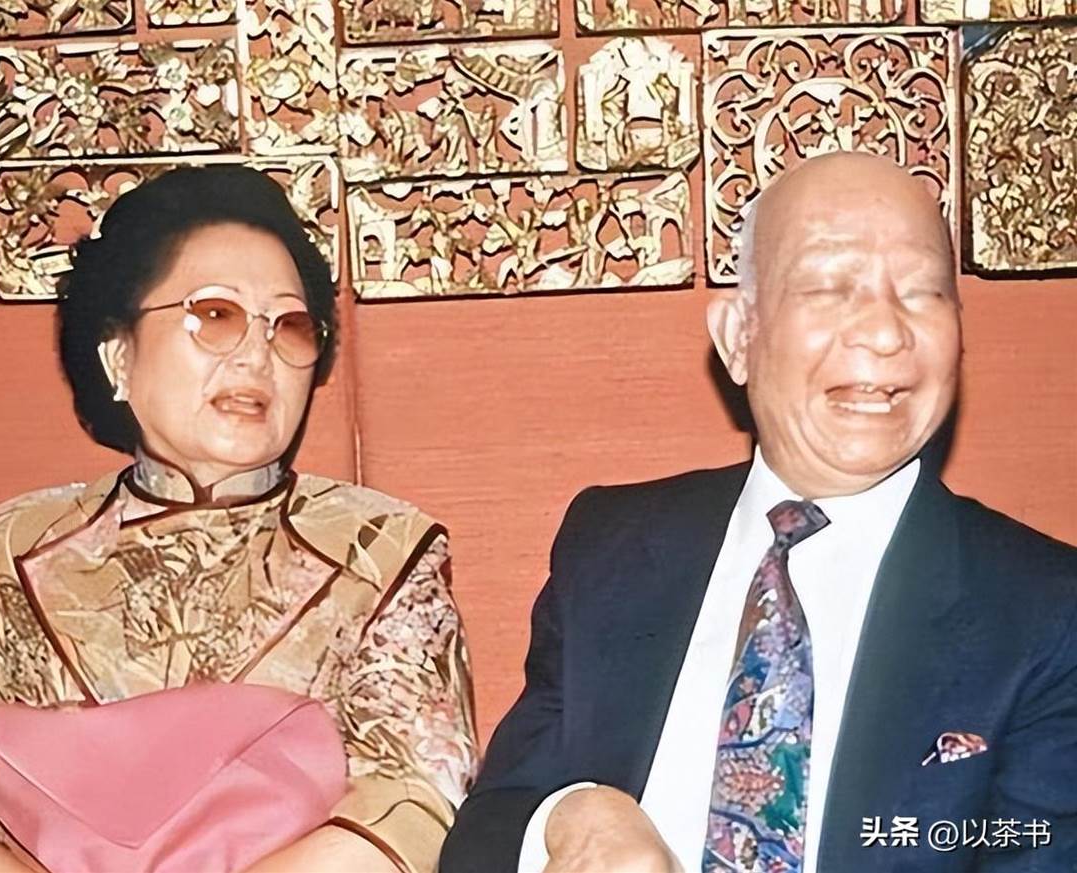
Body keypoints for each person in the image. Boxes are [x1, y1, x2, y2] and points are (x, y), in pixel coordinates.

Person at [440, 153, 1077, 873]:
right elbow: (489, 826)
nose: (885, 332)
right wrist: (574, 817)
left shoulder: (1046, 612)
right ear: (740, 336)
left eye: (923, 291)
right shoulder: (612, 547)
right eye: (830, 287)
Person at [0, 166, 478, 873]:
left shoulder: (382, 549)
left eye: (288, 327)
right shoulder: (9, 550)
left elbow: (415, 791)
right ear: (117, 355)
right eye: (216, 315)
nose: (256, 355)